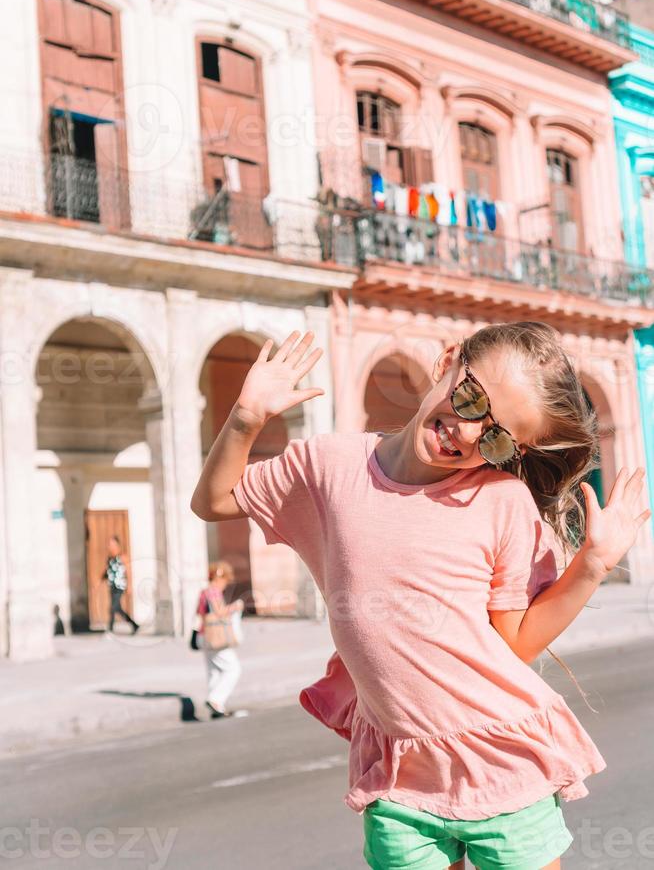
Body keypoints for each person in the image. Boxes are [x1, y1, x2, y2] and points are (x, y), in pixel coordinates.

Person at [190, 324, 650, 870]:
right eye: (470, 397)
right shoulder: (327, 465)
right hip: (399, 773)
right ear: (448, 362)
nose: (469, 431)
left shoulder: (501, 501)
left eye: (498, 437)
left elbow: (516, 644)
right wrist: (245, 418)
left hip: (501, 760)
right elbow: (214, 500)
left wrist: (591, 565)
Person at [190, 560, 246, 719]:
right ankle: (215, 700)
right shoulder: (213, 592)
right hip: (215, 638)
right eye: (226, 581)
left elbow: (198, 615)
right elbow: (220, 612)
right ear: (219, 578)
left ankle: (217, 707)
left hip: (203, 636)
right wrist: (236, 606)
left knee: (213, 671)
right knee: (233, 668)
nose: (225, 585)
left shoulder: (203, 592)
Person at [103, 535, 139, 634]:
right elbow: (107, 572)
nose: (110, 546)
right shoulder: (110, 558)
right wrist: (100, 580)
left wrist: (130, 585)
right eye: (109, 544)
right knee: (117, 608)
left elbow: (128, 572)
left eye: (112, 544)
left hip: (120, 586)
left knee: (113, 607)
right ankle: (134, 625)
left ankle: (110, 630)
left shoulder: (123, 557)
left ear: (117, 545)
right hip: (112, 586)